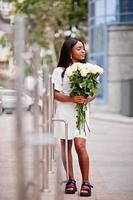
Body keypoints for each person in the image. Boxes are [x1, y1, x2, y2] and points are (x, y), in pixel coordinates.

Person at [52, 38, 96, 197]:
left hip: (81, 112)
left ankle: (86, 182)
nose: (83, 51)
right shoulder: (59, 71)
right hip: (64, 112)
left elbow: (94, 92)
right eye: (79, 49)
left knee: (80, 145)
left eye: (83, 48)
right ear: (69, 52)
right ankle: (71, 179)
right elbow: (55, 94)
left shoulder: (90, 70)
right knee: (66, 147)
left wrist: (87, 98)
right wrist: (71, 99)